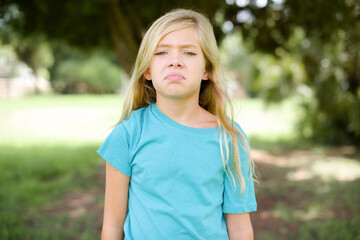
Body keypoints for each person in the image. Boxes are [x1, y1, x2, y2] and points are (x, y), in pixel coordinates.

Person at [97, 9, 257, 240]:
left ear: (207, 70)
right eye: (161, 52)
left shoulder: (230, 139)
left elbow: (240, 228)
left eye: (189, 53)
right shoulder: (128, 135)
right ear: (147, 71)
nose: (175, 62)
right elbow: (112, 226)